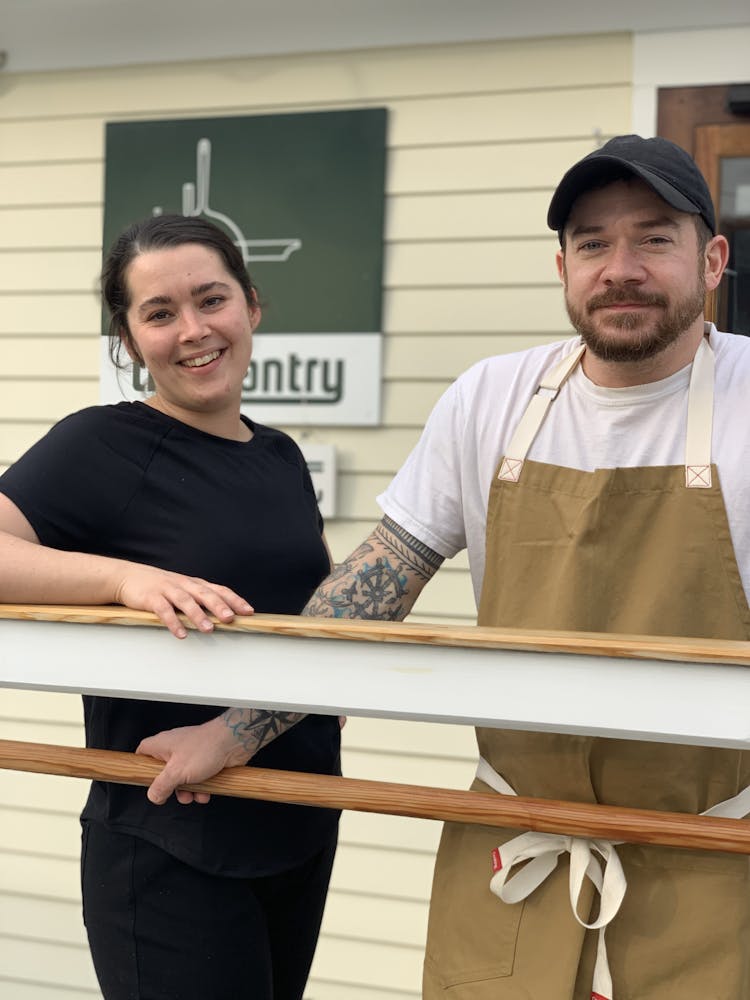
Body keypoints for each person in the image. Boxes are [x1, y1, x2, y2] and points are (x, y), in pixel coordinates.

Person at [142, 135, 750, 999]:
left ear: (713, 260)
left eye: (654, 238)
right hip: (517, 843)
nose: (621, 269)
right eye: (593, 244)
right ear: (563, 267)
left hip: (716, 854)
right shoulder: (491, 398)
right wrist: (232, 733)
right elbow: (381, 577)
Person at [0, 214, 341, 1000]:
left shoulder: (280, 455)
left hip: (300, 817)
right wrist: (125, 580)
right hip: (170, 840)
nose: (193, 330)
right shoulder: (101, 445)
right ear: (129, 340)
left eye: (211, 299)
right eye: (160, 313)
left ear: (251, 305)